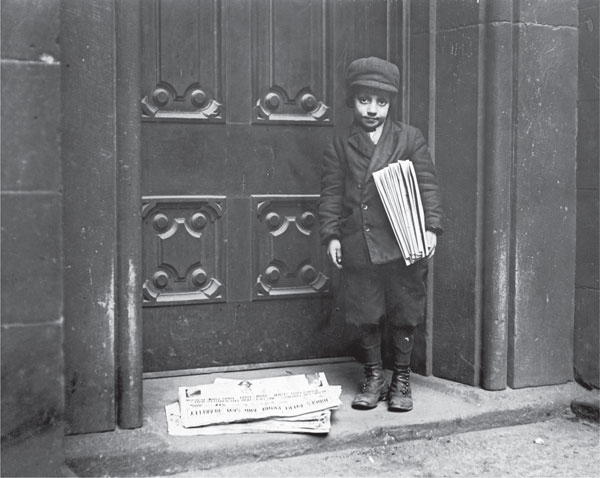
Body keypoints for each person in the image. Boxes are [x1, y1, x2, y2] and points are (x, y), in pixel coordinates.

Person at [319, 57, 443, 412]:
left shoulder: (409, 138)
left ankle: (401, 379)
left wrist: (431, 226)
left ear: (391, 103)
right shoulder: (341, 143)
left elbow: (428, 186)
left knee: (405, 308)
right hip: (361, 240)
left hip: (404, 240)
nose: (372, 109)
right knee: (366, 309)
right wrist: (332, 235)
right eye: (364, 100)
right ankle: (373, 376)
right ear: (352, 100)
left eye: (381, 101)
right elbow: (330, 193)